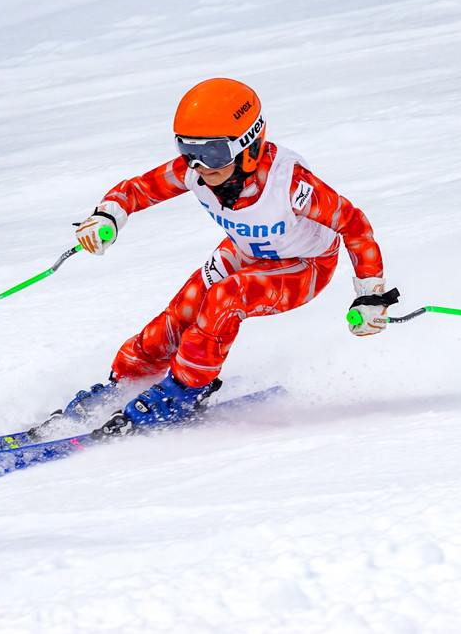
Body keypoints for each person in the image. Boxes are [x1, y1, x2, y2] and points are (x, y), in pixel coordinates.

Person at [35, 77, 398, 438]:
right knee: (184, 309)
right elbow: (138, 190)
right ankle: (127, 383)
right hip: (246, 252)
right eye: (187, 150)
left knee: (226, 297)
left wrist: (370, 294)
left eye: (213, 153)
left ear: (249, 146)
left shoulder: (288, 184)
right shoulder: (194, 172)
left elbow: (354, 225)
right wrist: (107, 216)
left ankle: (187, 388)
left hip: (305, 267)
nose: (200, 166)